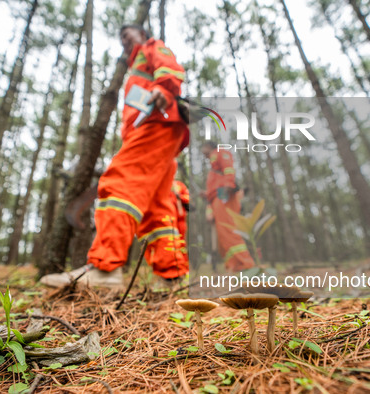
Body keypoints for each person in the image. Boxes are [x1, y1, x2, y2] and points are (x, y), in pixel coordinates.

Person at [40, 25, 189, 288]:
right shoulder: (136, 65)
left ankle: (105, 269)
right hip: (161, 130)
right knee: (158, 204)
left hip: (156, 122)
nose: (124, 40)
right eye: (120, 37)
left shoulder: (150, 47)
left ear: (142, 35)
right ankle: (171, 276)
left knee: (120, 182)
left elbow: (168, 67)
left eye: (127, 34)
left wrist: (165, 90)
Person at [201, 141, 255, 272]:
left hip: (223, 194)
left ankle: (246, 264)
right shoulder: (212, 166)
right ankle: (234, 265)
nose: (203, 154)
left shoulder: (219, 153)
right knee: (223, 234)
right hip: (216, 197)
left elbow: (229, 169)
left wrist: (227, 186)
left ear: (209, 147)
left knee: (229, 229)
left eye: (203, 149)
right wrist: (207, 194)